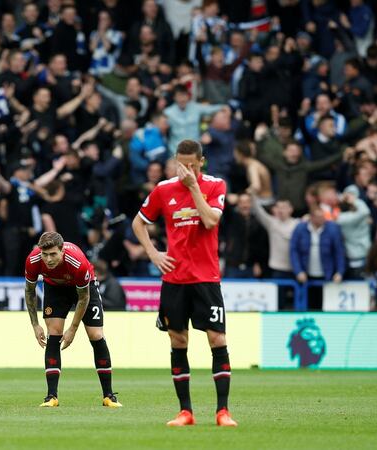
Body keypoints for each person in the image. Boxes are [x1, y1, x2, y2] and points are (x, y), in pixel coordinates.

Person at [130, 139, 237, 427]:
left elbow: (210, 221)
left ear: (201, 162)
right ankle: (185, 412)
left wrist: (192, 186)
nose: (186, 169)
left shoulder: (215, 186)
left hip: (206, 278)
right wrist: (154, 254)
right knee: (178, 340)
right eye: (181, 164)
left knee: (217, 339)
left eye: (191, 164)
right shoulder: (164, 189)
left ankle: (222, 412)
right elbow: (138, 223)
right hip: (175, 278)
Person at [23, 231, 121, 409]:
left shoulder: (77, 262)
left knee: (96, 334)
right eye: (45, 254)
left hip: (84, 287)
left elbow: (83, 298)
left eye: (53, 254)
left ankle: (108, 396)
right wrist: (35, 324)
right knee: (53, 332)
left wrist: (73, 329)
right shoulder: (33, 260)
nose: (49, 259)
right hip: (55, 288)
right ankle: (51, 396)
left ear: (62, 251)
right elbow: (29, 292)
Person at [289, 207, 346, 310]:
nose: (321, 219)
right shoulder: (300, 228)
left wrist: (339, 272)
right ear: (311, 217)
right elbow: (293, 250)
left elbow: (339, 252)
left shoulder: (333, 229)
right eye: (318, 217)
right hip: (306, 276)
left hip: (327, 276)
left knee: (325, 306)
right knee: (307, 305)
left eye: (322, 216)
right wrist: (298, 271)